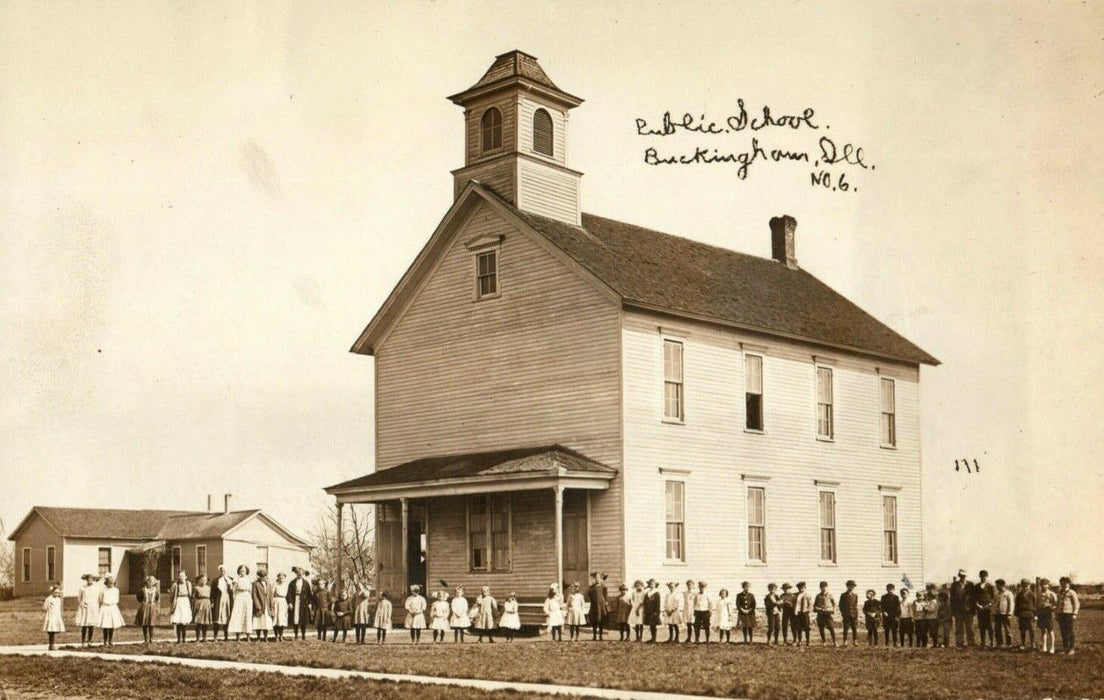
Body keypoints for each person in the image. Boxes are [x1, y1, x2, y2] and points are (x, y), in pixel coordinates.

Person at [227, 565, 254, 641]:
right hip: (239, 597)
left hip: (247, 597)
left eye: (244, 570)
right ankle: (238, 637)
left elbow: (251, 590)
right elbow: (233, 591)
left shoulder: (249, 579)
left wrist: (251, 599)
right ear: (238, 571)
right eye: (241, 570)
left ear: (246, 571)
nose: (242, 572)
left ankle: (248, 637)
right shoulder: (237, 579)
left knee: (247, 616)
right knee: (238, 616)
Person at [950, 568, 976, 647]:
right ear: (959, 576)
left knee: (969, 627)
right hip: (958, 610)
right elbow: (952, 599)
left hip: (968, 610)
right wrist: (953, 611)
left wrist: (972, 608)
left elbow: (974, 598)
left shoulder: (970, 584)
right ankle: (959, 642)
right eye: (961, 576)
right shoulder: (954, 585)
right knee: (959, 627)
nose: (962, 577)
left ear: (966, 576)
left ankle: (971, 642)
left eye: (964, 576)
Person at [286, 568, 314, 641]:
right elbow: (289, 594)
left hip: (303, 603)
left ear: (303, 574)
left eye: (301, 573)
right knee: (295, 619)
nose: (299, 575)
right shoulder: (292, 583)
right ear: (296, 574)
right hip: (295, 602)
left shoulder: (306, 583)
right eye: (298, 573)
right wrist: (290, 603)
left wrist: (309, 603)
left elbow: (309, 595)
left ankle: (303, 636)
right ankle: (296, 635)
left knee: (303, 620)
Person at [98, 574, 125, 646]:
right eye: (109, 583)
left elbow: (117, 599)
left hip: (112, 607)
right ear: (106, 583)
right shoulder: (102, 590)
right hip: (105, 608)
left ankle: (110, 640)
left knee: (112, 625)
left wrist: (112, 603)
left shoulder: (116, 590)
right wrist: (105, 603)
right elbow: (100, 599)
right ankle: (105, 641)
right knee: (105, 625)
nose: (111, 584)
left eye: (112, 583)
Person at [75, 574, 101, 647]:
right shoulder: (82, 588)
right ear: (86, 580)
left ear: (93, 580)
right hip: (85, 607)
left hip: (93, 607)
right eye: (88, 579)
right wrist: (82, 604)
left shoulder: (96, 588)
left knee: (91, 625)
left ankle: (89, 641)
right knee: (84, 625)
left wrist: (96, 607)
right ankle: (83, 641)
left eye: (91, 579)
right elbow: (79, 597)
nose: (90, 581)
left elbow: (98, 598)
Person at [1056, 576, 1079, 655]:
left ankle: (1071, 648)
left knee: (1070, 631)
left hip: (1069, 614)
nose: (1064, 584)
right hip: (1061, 614)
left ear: (1069, 584)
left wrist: (1074, 614)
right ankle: (1065, 648)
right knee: (1063, 632)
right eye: (1062, 583)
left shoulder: (1072, 592)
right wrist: (1057, 613)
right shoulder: (1059, 591)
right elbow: (1058, 603)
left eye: (1066, 583)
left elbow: (1076, 604)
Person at [169, 571, 194, 644]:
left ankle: (184, 639)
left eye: (183, 576)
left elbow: (190, 593)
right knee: (178, 621)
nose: (181, 577)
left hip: (185, 601)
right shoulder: (175, 584)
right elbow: (172, 595)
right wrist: (173, 603)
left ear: (186, 577)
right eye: (180, 576)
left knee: (184, 621)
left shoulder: (188, 584)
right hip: (178, 601)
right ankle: (179, 639)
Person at [974, 570, 996, 648]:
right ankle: (983, 642)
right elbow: (974, 598)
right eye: (982, 576)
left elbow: (994, 598)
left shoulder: (990, 586)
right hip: (980, 609)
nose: (983, 578)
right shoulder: (976, 587)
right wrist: (978, 605)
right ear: (980, 576)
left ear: (987, 577)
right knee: (981, 626)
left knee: (989, 626)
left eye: (985, 576)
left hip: (988, 609)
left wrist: (989, 605)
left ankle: (992, 642)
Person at [211, 565, 234, 641]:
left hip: (227, 600)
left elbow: (232, 592)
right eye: (221, 570)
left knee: (226, 617)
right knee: (217, 618)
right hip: (219, 600)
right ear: (220, 571)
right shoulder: (216, 580)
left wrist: (229, 584)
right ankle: (215, 637)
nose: (223, 572)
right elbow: (213, 593)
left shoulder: (231, 580)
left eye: (224, 570)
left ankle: (226, 637)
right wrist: (212, 602)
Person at [135, 575, 160, 645]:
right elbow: (138, 597)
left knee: (151, 624)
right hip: (145, 607)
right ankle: (146, 639)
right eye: (149, 581)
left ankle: (151, 638)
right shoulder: (143, 589)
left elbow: (157, 597)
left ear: (154, 582)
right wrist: (143, 602)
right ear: (147, 582)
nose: (150, 583)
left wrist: (153, 602)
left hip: (152, 607)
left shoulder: (155, 590)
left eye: (152, 581)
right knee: (145, 623)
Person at [251, 569, 274, 642]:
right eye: (261, 576)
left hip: (266, 605)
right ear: (259, 576)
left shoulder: (268, 584)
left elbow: (271, 595)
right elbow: (254, 595)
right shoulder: (255, 584)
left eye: (264, 576)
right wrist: (257, 604)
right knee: (259, 622)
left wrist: (271, 605)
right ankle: (258, 637)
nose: (263, 577)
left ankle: (265, 637)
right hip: (260, 605)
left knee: (266, 622)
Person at [1036, 577, 1057, 653]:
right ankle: (1044, 647)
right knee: (1043, 630)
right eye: (1042, 584)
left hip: (1048, 612)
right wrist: (1037, 613)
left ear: (1048, 585)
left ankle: (1052, 647)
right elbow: (1037, 604)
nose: (1043, 586)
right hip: (1041, 613)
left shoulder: (1051, 594)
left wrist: (1052, 608)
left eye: (1045, 584)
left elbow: (1056, 604)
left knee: (1050, 630)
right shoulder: (1039, 594)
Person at [813, 581, 836, 647]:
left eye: (824, 587)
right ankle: (824, 642)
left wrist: (832, 610)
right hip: (820, 615)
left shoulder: (830, 595)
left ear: (827, 587)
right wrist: (819, 609)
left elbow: (834, 604)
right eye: (821, 587)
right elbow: (815, 605)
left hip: (828, 614)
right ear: (820, 587)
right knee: (821, 628)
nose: (823, 588)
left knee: (831, 628)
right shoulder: (818, 596)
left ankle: (834, 641)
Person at [43, 585, 65, 650]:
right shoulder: (49, 599)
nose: (57, 594)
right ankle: (51, 645)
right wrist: (49, 608)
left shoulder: (58, 599)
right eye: (55, 592)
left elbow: (59, 608)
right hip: (51, 616)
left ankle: (52, 644)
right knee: (51, 631)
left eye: (58, 593)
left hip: (56, 616)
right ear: (52, 592)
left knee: (55, 630)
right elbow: (44, 608)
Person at [587, 572, 608, 641]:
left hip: (601, 605)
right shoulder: (592, 587)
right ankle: (594, 635)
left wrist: (606, 603)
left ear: (601, 578)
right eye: (596, 578)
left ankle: (601, 636)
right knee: (594, 620)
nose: (597, 579)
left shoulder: (603, 587)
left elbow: (605, 596)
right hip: (594, 605)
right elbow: (589, 595)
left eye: (598, 577)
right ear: (594, 578)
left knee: (601, 620)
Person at [192, 574, 213, 642]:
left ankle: (204, 638)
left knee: (205, 622)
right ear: (199, 580)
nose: (203, 581)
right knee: (199, 622)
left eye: (205, 580)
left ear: (207, 581)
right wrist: (196, 603)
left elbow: (211, 597)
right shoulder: (196, 588)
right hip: (200, 604)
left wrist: (211, 603)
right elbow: (193, 597)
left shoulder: (209, 588)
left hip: (207, 604)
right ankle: (197, 639)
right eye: (202, 580)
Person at [994, 578, 1014, 648]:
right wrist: (994, 612)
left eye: (997, 585)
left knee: (1007, 629)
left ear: (1002, 585)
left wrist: (1009, 613)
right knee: (997, 629)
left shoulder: (1008, 593)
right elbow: (995, 603)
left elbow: (1011, 604)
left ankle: (1009, 644)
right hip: (997, 614)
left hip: (1005, 614)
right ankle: (1000, 643)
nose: (996, 587)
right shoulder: (997, 594)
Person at [839, 580, 859, 647]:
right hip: (846, 615)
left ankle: (855, 641)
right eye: (850, 586)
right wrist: (843, 613)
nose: (851, 587)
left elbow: (855, 605)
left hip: (854, 614)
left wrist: (856, 613)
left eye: (853, 586)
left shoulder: (855, 595)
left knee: (854, 628)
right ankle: (845, 641)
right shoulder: (843, 595)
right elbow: (840, 605)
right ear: (847, 586)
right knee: (846, 628)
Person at [353, 580, 373, 645]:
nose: (358, 587)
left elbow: (365, 595)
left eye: (360, 586)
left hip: (363, 611)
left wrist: (362, 588)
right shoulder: (356, 593)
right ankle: (357, 640)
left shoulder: (367, 592)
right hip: (357, 611)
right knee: (357, 626)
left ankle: (362, 640)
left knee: (363, 626)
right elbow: (352, 601)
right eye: (358, 586)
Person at [794, 581, 812, 647]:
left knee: (807, 628)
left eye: (802, 588)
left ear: (805, 588)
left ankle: (808, 642)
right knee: (799, 628)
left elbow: (810, 605)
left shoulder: (807, 595)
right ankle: (800, 641)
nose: (801, 589)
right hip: (798, 614)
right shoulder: (796, 595)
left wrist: (807, 611)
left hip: (805, 613)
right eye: (799, 588)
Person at [936, 584, 953, 648]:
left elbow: (950, 614)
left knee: (946, 633)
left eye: (940, 599)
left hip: (947, 621)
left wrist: (944, 619)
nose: (939, 600)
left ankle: (947, 644)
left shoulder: (949, 606)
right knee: (940, 633)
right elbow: (938, 613)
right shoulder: (940, 606)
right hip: (941, 621)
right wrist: (939, 619)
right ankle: (940, 643)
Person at [683, 579, 697, 644]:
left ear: (693, 585)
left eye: (690, 585)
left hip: (693, 609)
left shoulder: (695, 593)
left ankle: (696, 639)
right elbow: (686, 602)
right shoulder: (685, 593)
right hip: (687, 609)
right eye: (688, 585)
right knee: (688, 624)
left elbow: (695, 602)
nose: (689, 586)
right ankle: (689, 638)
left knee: (694, 624)